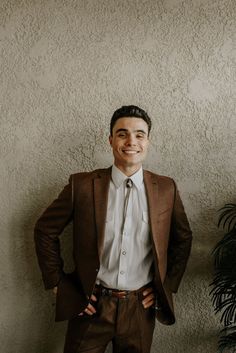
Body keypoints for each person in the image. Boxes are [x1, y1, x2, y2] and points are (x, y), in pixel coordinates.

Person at [34, 105, 192, 353]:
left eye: (139, 134)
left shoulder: (166, 188)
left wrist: (167, 286)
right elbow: (45, 230)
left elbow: (183, 239)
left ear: (148, 141)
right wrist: (59, 285)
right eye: (122, 133)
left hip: (140, 309)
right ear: (111, 140)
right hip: (90, 305)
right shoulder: (82, 185)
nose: (131, 141)